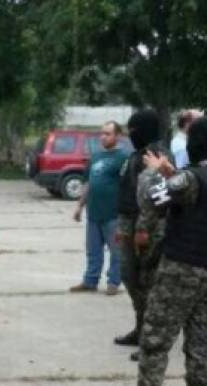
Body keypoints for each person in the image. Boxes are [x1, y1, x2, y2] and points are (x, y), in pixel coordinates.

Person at [137, 116, 207, 386]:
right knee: (201, 349)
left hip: (179, 272)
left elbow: (151, 198)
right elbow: (198, 197)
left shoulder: (194, 178)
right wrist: (173, 175)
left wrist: (152, 171)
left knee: (155, 344)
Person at [114, 110, 173, 348]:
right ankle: (141, 329)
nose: (130, 134)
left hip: (147, 229)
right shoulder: (138, 154)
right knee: (131, 277)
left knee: (148, 282)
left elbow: (155, 200)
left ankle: (151, 337)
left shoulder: (156, 155)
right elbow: (129, 193)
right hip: (130, 225)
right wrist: (123, 227)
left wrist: (142, 230)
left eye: (134, 130)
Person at [70, 121, 128, 295]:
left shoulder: (123, 158)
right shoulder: (95, 157)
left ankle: (113, 282)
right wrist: (80, 206)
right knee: (93, 250)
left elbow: (127, 186)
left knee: (116, 251)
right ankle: (90, 280)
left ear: (118, 136)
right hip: (94, 213)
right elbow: (88, 183)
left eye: (108, 133)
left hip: (113, 214)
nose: (103, 136)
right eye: (102, 133)